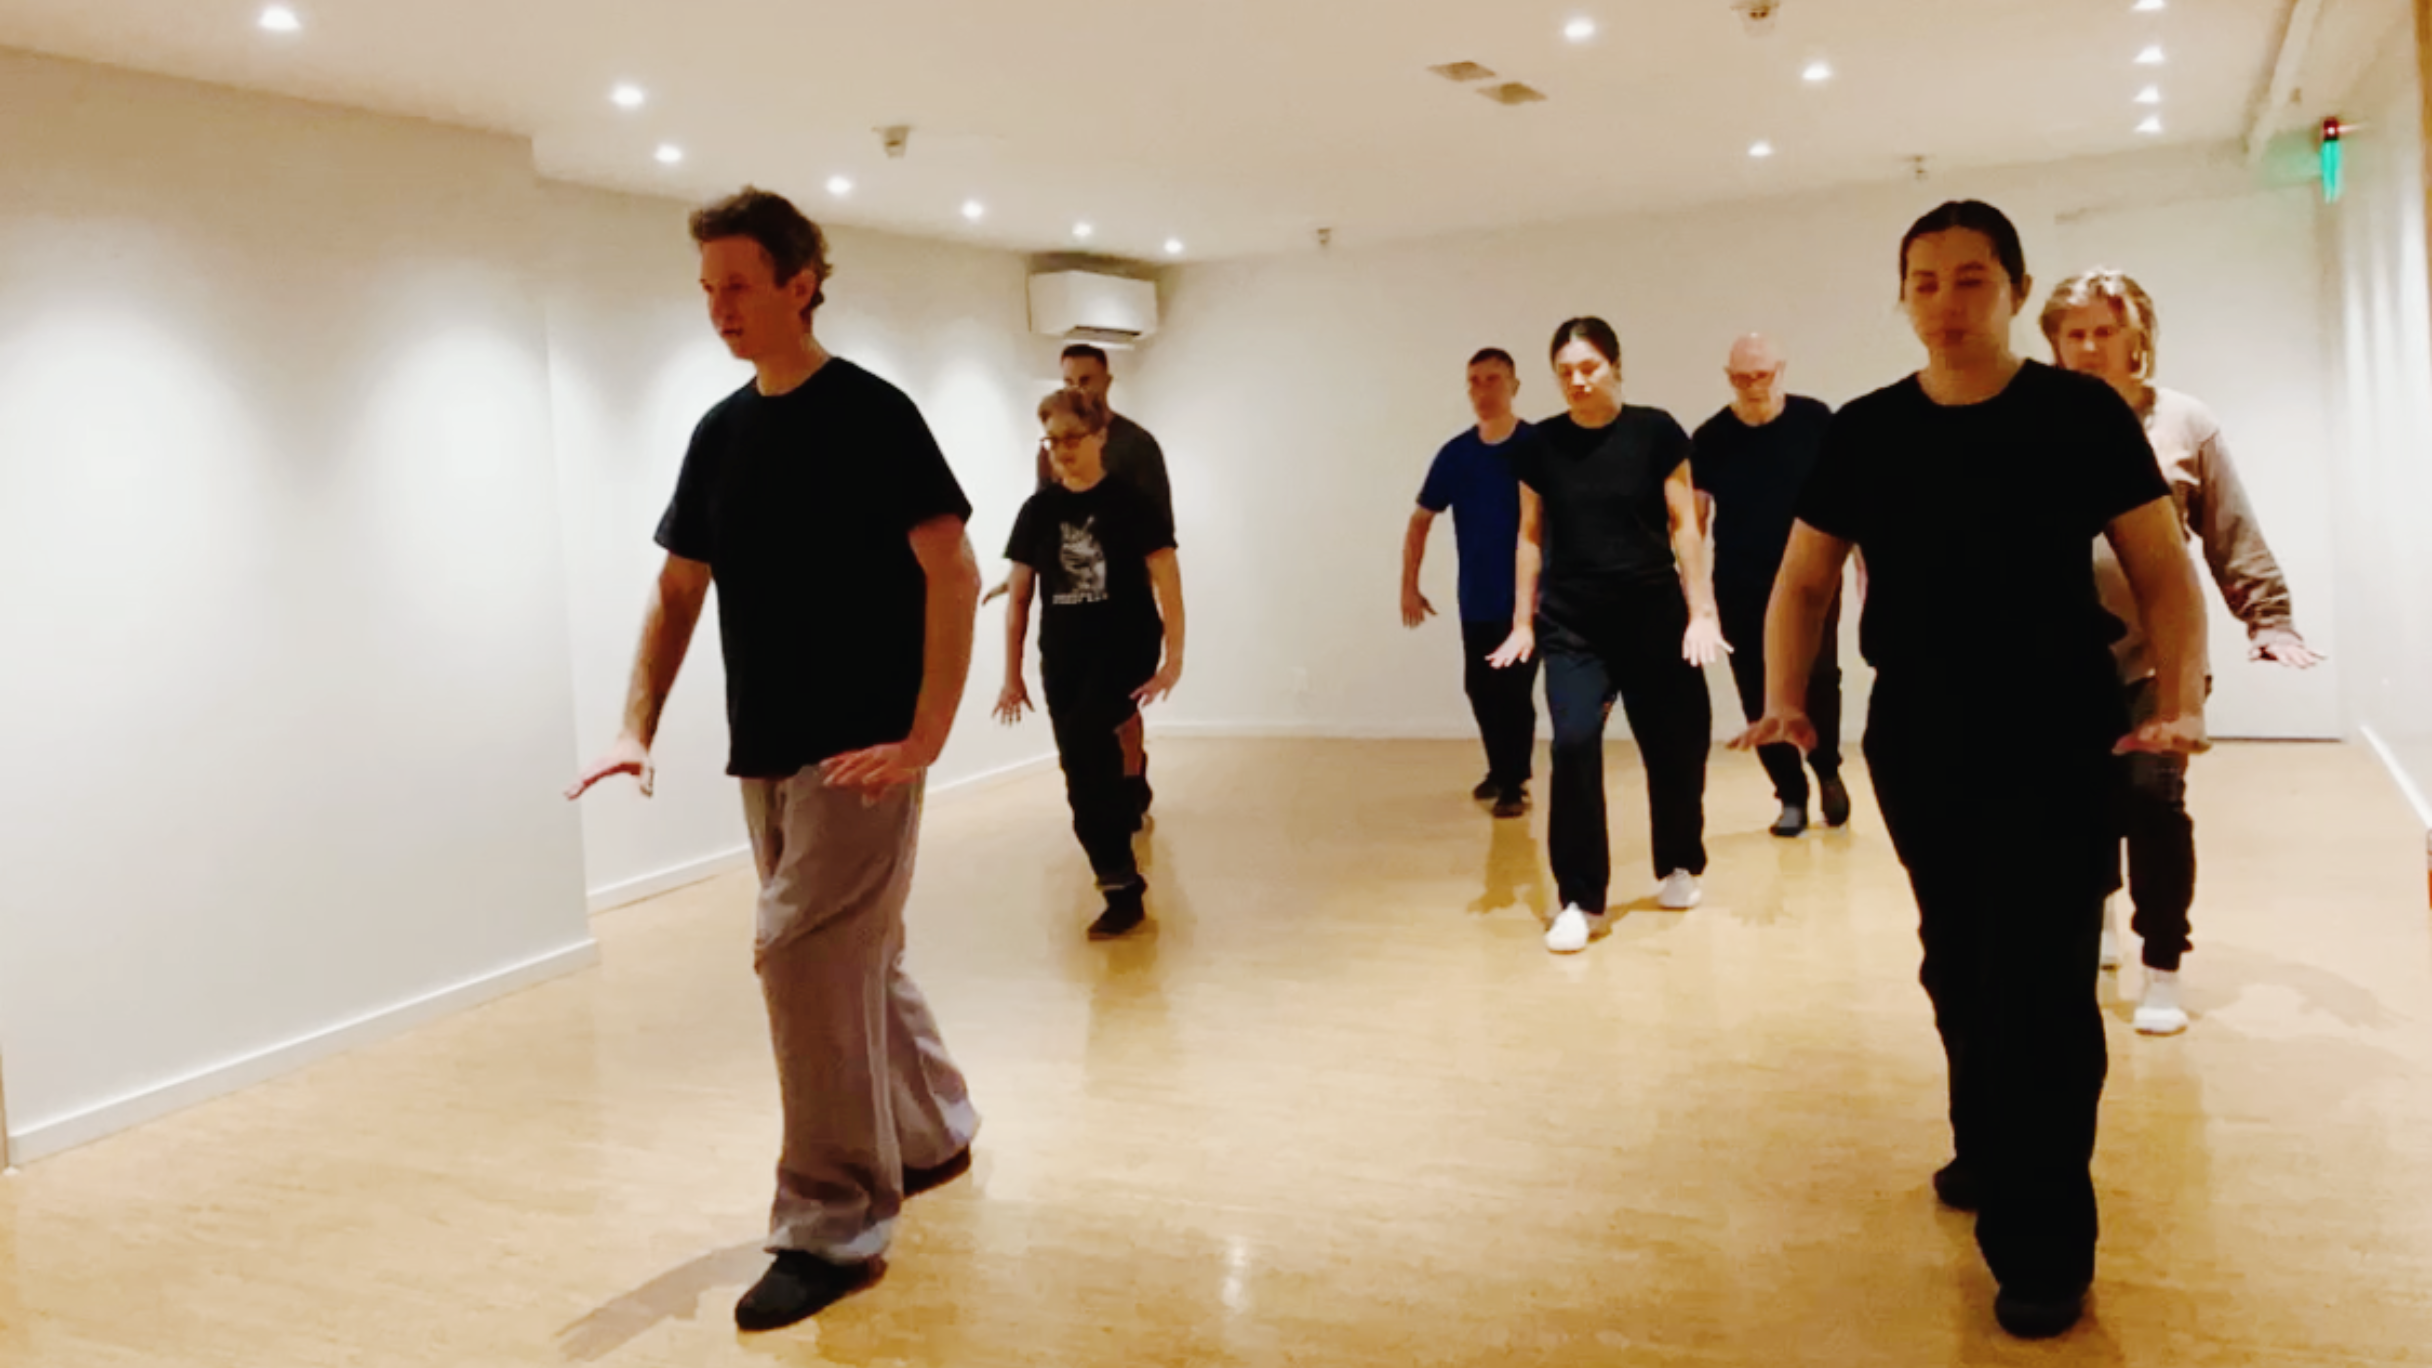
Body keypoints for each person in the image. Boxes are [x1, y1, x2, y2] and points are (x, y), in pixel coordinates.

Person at [1734, 200, 2207, 1341]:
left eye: (1971, 278)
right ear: (1902, 297)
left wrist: (2180, 700)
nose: (1946, 302)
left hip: (2056, 730)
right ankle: (1987, 1143)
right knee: (1956, 959)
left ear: (2014, 289)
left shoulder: (2078, 414)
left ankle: (2042, 1245)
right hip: (1921, 736)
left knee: (2040, 981)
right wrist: (1785, 696)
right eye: (1925, 281)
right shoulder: (1865, 430)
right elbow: (1804, 578)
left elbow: (2161, 567)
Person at [564, 187, 981, 1332]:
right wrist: (636, 725)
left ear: (802, 283)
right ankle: (932, 1129)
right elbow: (677, 589)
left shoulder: (874, 414)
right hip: (767, 750)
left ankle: (830, 1223)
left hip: (864, 752)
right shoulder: (720, 433)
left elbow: (952, 570)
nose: (719, 309)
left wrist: (927, 735)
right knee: (851, 957)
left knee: (797, 957)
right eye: (707, 290)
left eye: (739, 285)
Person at [2042, 269, 2325, 1036]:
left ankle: (2162, 961)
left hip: (2159, 659)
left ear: (2138, 337)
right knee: (2074, 805)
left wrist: (2270, 619)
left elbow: (2231, 527)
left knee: (2150, 800)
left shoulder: (2182, 421)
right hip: (2059, 661)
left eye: (2107, 330)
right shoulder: (2036, 421)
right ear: (2055, 343)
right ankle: (2097, 918)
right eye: (2076, 333)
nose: (2091, 346)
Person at [1489, 317, 1726, 955]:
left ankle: (1679, 863)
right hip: (1573, 624)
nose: (1577, 380)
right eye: (1565, 371)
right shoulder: (1540, 445)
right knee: (1572, 745)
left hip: (1654, 617)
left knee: (1677, 746)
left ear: (1615, 365)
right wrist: (1522, 621)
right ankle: (1579, 899)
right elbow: (1529, 535)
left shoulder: (1656, 432)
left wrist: (1702, 611)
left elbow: (1684, 523)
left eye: (1588, 366)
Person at [995, 385, 1187, 940]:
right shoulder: (1037, 512)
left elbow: (1168, 580)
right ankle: (1118, 878)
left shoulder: (1132, 504)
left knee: (1090, 749)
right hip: (1064, 658)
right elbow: (1019, 597)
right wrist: (1011, 676)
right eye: (1051, 441)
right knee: (1079, 777)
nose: (1061, 451)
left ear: (1100, 436)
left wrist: (1173, 658)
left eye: (1071, 438)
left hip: (1125, 647)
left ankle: (1122, 874)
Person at [990, 344, 1173, 817]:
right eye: (1069, 380)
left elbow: (1158, 528)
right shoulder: (1049, 457)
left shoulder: (1137, 445)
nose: (1078, 388)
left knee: (1121, 711)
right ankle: (1101, 802)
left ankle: (1131, 784)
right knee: (1084, 724)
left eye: (1086, 380)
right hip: (1072, 600)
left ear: (1106, 381)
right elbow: (1042, 524)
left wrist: (1150, 592)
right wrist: (1018, 577)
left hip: (1124, 597)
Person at [1691, 334, 1849, 837]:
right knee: (1758, 689)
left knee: (1819, 677)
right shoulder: (1711, 437)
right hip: (1741, 582)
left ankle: (1826, 767)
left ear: (1780, 370)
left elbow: (1845, 496)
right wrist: (1696, 599)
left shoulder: (1814, 421)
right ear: (1728, 377)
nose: (1752, 385)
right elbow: (1693, 521)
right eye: (1741, 377)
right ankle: (1791, 795)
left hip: (1812, 576)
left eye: (1761, 374)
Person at [1402, 348, 1540, 818]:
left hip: (1529, 600)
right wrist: (1409, 585)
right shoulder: (1456, 455)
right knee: (1479, 687)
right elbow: (1420, 520)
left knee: (1514, 691)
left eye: (1493, 380)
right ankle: (1500, 769)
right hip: (1478, 599)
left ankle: (1514, 782)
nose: (1483, 390)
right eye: (1474, 381)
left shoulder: (1537, 447)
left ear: (1514, 385)